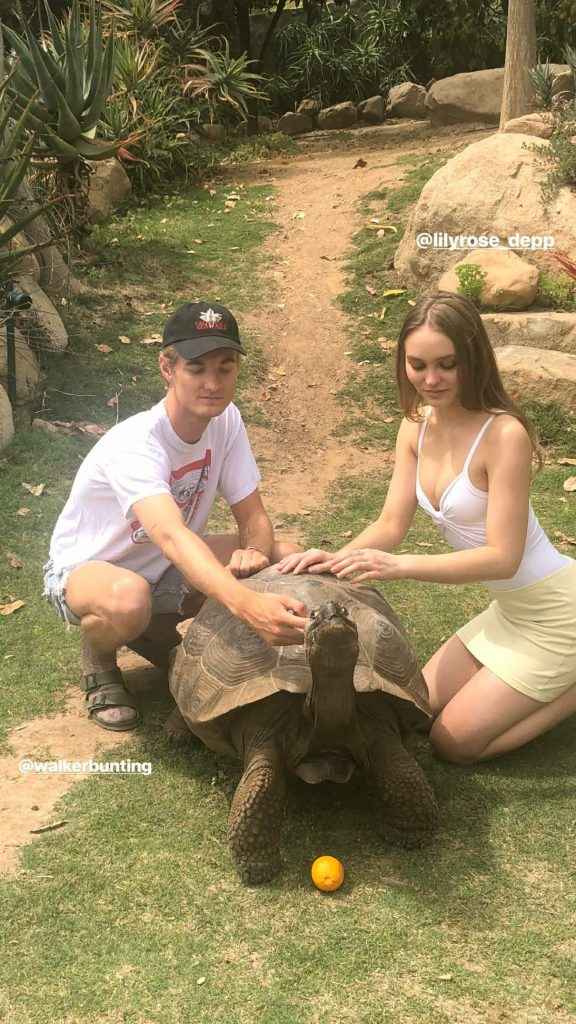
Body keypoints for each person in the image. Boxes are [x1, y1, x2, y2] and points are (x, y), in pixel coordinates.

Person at [276, 291, 576, 764]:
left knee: (453, 744)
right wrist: (333, 560)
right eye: (418, 365)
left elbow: (504, 558)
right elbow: (390, 523)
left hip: (558, 614)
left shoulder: (504, 435)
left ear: (472, 359)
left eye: (447, 365)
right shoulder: (414, 426)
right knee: (415, 708)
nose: (430, 380)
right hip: (510, 612)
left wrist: (400, 567)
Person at [43, 300, 307, 732]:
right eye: (196, 369)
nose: (213, 383)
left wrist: (257, 553)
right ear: (168, 368)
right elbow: (171, 536)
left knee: (286, 556)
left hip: (165, 567)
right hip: (93, 571)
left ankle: (162, 636)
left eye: (225, 368)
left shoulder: (226, 420)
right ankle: (100, 656)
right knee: (129, 600)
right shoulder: (136, 444)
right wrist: (248, 604)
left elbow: (254, 516)